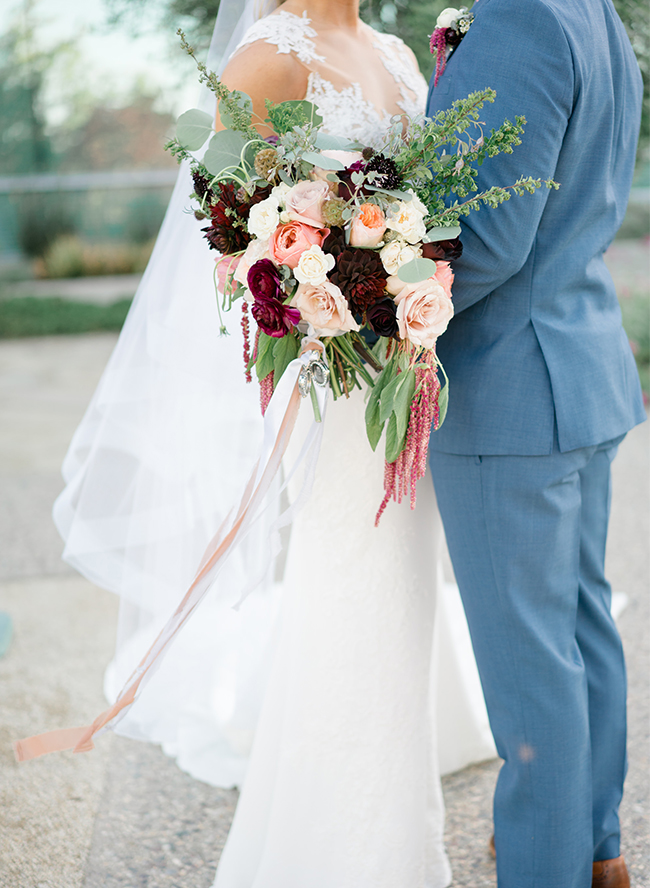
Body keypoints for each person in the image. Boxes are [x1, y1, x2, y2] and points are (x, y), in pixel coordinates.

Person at [50, 0, 494, 885]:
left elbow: (430, 198)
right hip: (334, 377)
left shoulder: (400, 56)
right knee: (350, 576)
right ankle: (346, 840)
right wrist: (322, 278)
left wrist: (408, 274)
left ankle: (398, 763)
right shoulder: (264, 60)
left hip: (407, 357)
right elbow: (229, 234)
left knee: (403, 575)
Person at [426, 2, 644, 887]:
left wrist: (381, 311)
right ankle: (598, 850)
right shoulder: (594, 15)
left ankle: (545, 868)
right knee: (581, 631)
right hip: (579, 366)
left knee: (531, 665)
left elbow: (486, 237)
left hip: (509, 386)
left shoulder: (517, 17)